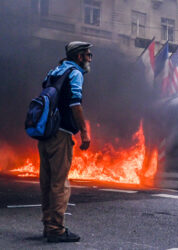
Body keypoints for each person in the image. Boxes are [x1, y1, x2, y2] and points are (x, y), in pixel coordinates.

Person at [38, 41, 92, 243]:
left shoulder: (55, 71)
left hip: (45, 133)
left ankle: (48, 224)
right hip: (60, 135)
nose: (89, 59)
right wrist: (84, 133)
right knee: (60, 184)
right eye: (88, 55)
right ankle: (56, 229)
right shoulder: (75, 72)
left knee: (47, 182)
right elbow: (75, 103)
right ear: (79, 57)